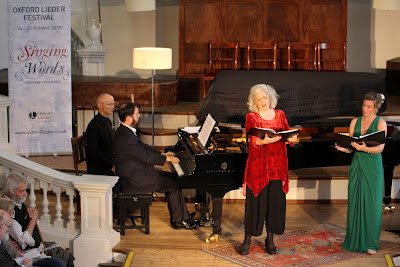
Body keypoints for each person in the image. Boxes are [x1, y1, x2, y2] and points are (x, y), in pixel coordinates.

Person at [113, 102, 198, 230]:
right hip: (136, 179)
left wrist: (161, 153)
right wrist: (166, 158)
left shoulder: (124, 131)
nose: (140, 115)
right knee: (174, 183)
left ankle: (181, 216)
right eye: (137, 114)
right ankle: (179, 221)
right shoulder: (127, 136)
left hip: (137, 173)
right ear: (129, 117)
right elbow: (146, 157)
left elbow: (143, 148)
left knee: (173, 179)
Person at [241, 84, 297, 255]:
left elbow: (288, 135)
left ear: (270, 98)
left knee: (274, 205)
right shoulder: (251, 116)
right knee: (255, 205)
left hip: (277, 167)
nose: (262, 101)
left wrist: (293, 138)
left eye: (265, 98)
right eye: (258, 99)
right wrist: (266, 141)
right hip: (258, 167)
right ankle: (248, 239)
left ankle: (270, 239)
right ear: (254, 102)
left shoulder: (280, 114)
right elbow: (252, 141)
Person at [335, 92, 387, 255]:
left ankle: (371, 243)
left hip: (373, 166)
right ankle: (354, 241)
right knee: (356, 200)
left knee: (372, 204)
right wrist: (344, 148)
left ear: (376, 108)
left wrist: (364, 148)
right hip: (357, 164)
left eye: (369, 106)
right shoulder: (355, 121)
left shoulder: (381, 123)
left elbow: (380, 148)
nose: (365, 109)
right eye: (364, 105)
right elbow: (351, 145)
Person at [3, 175, 69, 266]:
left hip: (34, 251)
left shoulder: (19, 203)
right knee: (59, 263)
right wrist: (32, 222)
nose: (25, 194)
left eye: (26, 190)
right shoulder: (7, 210)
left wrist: (33, 218)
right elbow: (23, 243)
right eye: (21, 191)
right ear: (11, 192)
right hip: (26, 255)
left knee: (64, 258)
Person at [86, 93, 115, 176]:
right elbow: (94, 152)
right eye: (110, 104)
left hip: (108, 161)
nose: (113, 107)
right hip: (99, 168)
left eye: (113, 104)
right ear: (100, 105)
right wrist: (111, 166)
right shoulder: (94, 125)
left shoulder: (108, 121)